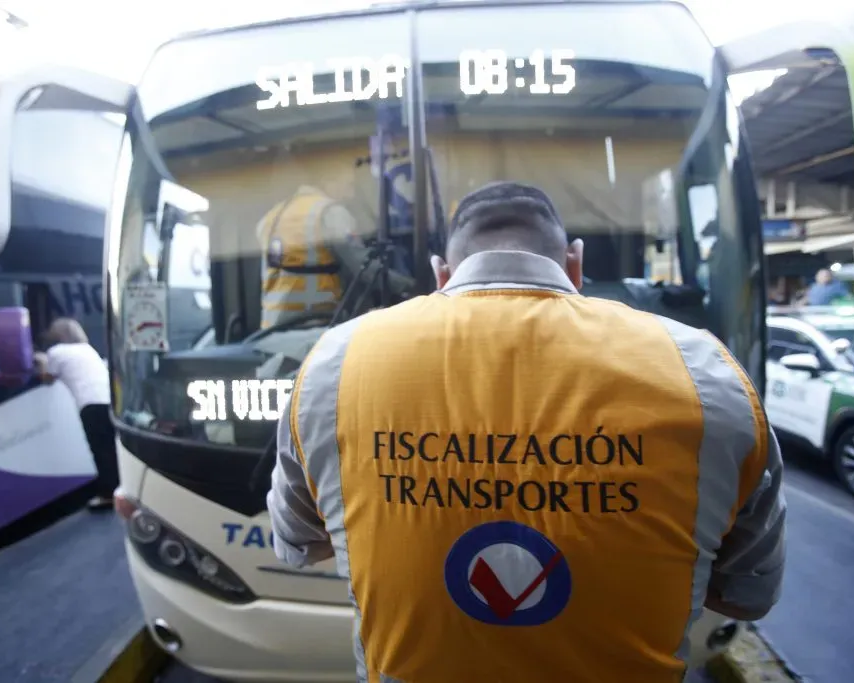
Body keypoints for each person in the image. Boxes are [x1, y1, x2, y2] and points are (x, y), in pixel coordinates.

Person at [266, 181, 786, 683]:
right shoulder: (704, 372)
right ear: (575, 263)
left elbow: (298, 544)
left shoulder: (335, 365)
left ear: (440, 274)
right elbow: (747, 593)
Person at [256, 178, 417, 330]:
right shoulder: (331, 213)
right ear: (329, 180)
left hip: (271, 330)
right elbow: (364, 266)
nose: (352, 192)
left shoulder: (271, 217)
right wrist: (412, 286)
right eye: (348, 183)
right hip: (314, 327)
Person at [34, 318, 118, 511]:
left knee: (100, 450)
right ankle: (121, 488)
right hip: (109, 400)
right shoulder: (87, 349)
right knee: (111, 447)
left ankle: (107, 495)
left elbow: (47, 378)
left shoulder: (56, 353)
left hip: (90, 404)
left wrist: (40, 361)